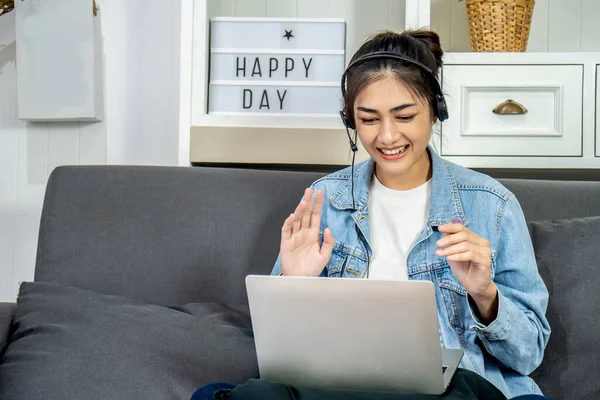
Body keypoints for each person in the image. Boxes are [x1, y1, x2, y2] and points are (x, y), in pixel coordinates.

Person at [192, 29, 551, 400]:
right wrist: (294, 285)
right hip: (342, 389)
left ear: (435, 111)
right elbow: (279, 356)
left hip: (451, 389)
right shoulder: (325, 200)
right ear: (352, 122)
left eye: (405, 115)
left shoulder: (491, 205)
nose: (388, 136)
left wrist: (484, 294)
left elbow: (527, 356)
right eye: (369, 119)